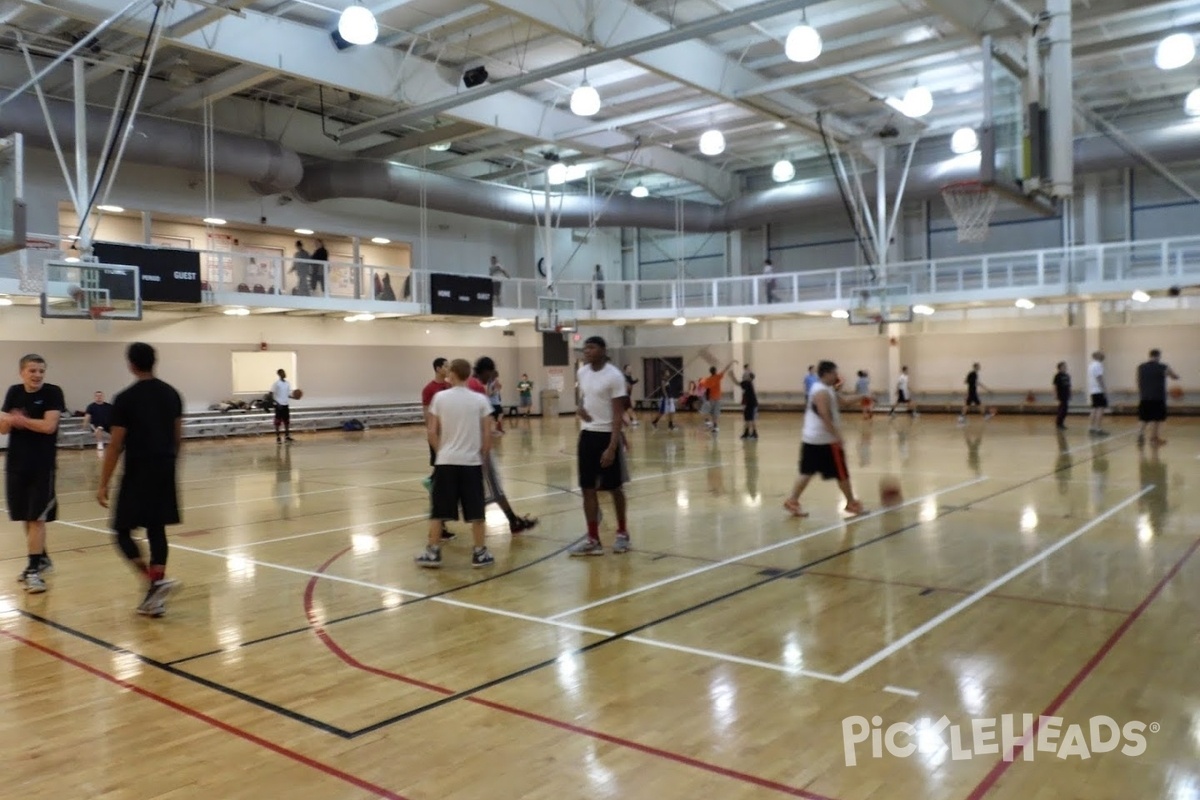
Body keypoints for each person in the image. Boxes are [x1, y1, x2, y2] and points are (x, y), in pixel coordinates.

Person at [96, 343, 183, 617]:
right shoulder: (171, 394)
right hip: (164, 468)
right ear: (154, 362)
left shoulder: (125, 398)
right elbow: (177, 436)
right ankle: (155, 596)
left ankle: (152, 582)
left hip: (138, 471)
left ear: (131, 364)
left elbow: (115, 444)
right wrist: (169, 463)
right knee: (156, 530)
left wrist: (103, 483)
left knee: (121, 531)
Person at [415, 358, 494, 568]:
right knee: (477, 511)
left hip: (446, 462)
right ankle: (479, 553)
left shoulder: (439, 398)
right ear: (469, 375)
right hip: (471, 463)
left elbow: (431, 432)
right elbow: (488, 437)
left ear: (451, 374)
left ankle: (433, 552)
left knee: (439, 509)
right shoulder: (480, 401)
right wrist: (481, 458)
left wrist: (443, 454)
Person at [3, 355, 66, 593]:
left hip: (42, 466)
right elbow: (2, 428)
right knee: (25, 516)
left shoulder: (52, 392)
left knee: (36, 518)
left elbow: (48, 426)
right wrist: (10, 420)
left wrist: (20, 420)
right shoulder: (13, 392)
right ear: (22, 372)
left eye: (41, 371)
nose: (37, 375)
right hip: (16, 464)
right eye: (32, 370)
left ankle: (33, 571)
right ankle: (41, 558)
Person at [570, 336, 631, 556]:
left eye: (592, 347)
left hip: (608, 436)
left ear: (603, 350)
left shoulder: (614, 376)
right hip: (587, 434)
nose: (587, 351)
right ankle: (593, 539)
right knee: (587, 488)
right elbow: (585, 395)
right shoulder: (582, 372)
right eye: (585, 347)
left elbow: (617, 415)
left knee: (615, 488)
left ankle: (622, 533)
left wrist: (612, 447)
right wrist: (579, 407)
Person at [783, 360, 865, 519]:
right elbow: (824, 415)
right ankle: (851, 503)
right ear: (826, 374)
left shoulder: (827, 389)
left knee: (807, 472)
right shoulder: (820, 391)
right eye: (834, 373)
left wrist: (864, 395)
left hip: (813, 439)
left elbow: (845, 402)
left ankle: (792, 501)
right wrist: (837, 436)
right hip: (824, 440)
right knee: (841, 472)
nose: (837, 376)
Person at [470, 357, 538, 534]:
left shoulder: (467, 386)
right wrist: (487, 440)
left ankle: (513, 520)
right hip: (477, 446)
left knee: (482, 488)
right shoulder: (476, 387)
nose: (492, 377)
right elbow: (481, 420)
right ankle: (508, 523)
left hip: (466, 445)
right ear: (487, 371)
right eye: (491, 374)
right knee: (492, 487)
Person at [421, 358, 458, 543]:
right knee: (442, 479)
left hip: (450, 437)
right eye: (445, 365)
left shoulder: (451, 388)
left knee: (445, 477)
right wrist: (434, 438)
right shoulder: (429, 389)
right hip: (438, 438)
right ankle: (438, 527)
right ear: (437, 368)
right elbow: (428, 416)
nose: (448, 368)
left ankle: (440, 524)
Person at [1136, 349, 1180, 447]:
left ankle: (1140, 434)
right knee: (1157, 419)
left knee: (1144, 418)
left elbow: (1138, 380)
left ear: (1150, 355)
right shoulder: (1163, 367)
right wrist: (1176, 376)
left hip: (1144, 396)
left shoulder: (1141, 367)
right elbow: (1174, 376)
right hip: (1158, 396)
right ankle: (1154, 438)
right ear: (1158, 356)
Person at [699, 361, 734, 432]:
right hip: (718, 398)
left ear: (710, 372)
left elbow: (702, 383)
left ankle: (711, 424)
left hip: (711, 398)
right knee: (716, 413)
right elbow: (725, 369)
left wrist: (701, 380)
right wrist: (731, 362)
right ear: (715, 371)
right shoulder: (718, 377)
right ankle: (715, 426)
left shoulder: (708, 380)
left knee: (711, 412)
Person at [1088, 351, 1108, 436]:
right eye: (1101, 354)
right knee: (1100, 409)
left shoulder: (1091, 365)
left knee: (1094, 409)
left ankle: (1092, 427)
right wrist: (1104, 389)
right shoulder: (1098, 365)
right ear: (1098, 356)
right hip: (1098, 390)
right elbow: (1099, 377)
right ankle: (1098, 428)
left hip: (1092, 390)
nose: (1103, 355)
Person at [271, 369, 294, 443]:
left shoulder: (287, 383)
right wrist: (276, 403)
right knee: (277, 422)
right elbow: (270, 395)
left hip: (285, 405)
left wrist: (295, 397)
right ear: (279, 374)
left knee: (286, 422)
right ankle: (278, 438)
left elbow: (288, 394)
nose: (283, 374)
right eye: (281, 373)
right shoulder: (276, 383)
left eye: (284, 372)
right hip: (279, 405)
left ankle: (287, 436)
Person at [737, 366, 759, 439]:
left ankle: (754, 434)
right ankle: (747, 433)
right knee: (747, 419)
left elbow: (738, 383)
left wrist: (732, 377)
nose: (743, 376)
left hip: (751, 404)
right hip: (749, 404)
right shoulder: (748, 383)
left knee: (751, 419)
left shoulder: (747, 383)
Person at [1053, 361, 1072, 430]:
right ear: (1060, 368)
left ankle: (1061, 423)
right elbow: (1055, 386)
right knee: (1062, 409)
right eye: (1064, 366)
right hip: (1061, 394)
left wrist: (1070, 393)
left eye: (1065, 366)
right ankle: (1059, 423)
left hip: (1066, 394)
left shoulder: (1067, 375)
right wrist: (1055, 394)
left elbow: (1069, 386)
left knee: (1065, 409)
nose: (1065, 368)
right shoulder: (1057, 376)